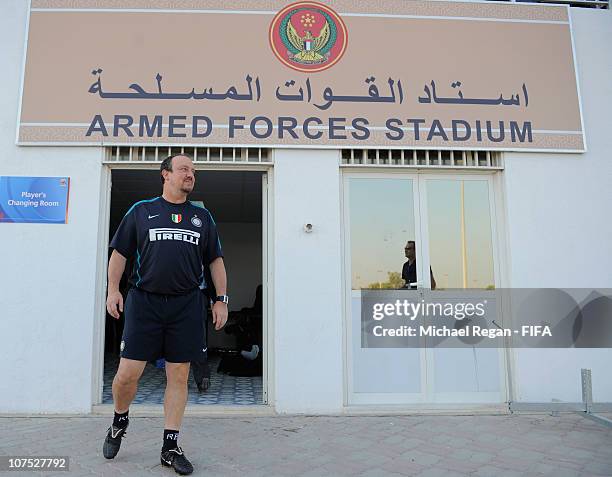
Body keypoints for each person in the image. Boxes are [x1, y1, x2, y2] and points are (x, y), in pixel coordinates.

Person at [103, 154, 229, 475]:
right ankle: (119, 420)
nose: (191, 175)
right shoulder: (141, 211)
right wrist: (113, 290)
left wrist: (221, 299)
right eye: (184, 169)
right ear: (166, 175)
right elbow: (120, 253)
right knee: (128, 374)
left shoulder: (202, 217)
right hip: (144, 302)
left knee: (179, 375)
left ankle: (169, 447)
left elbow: (215, 260)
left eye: (193, 172)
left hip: (186, 304)